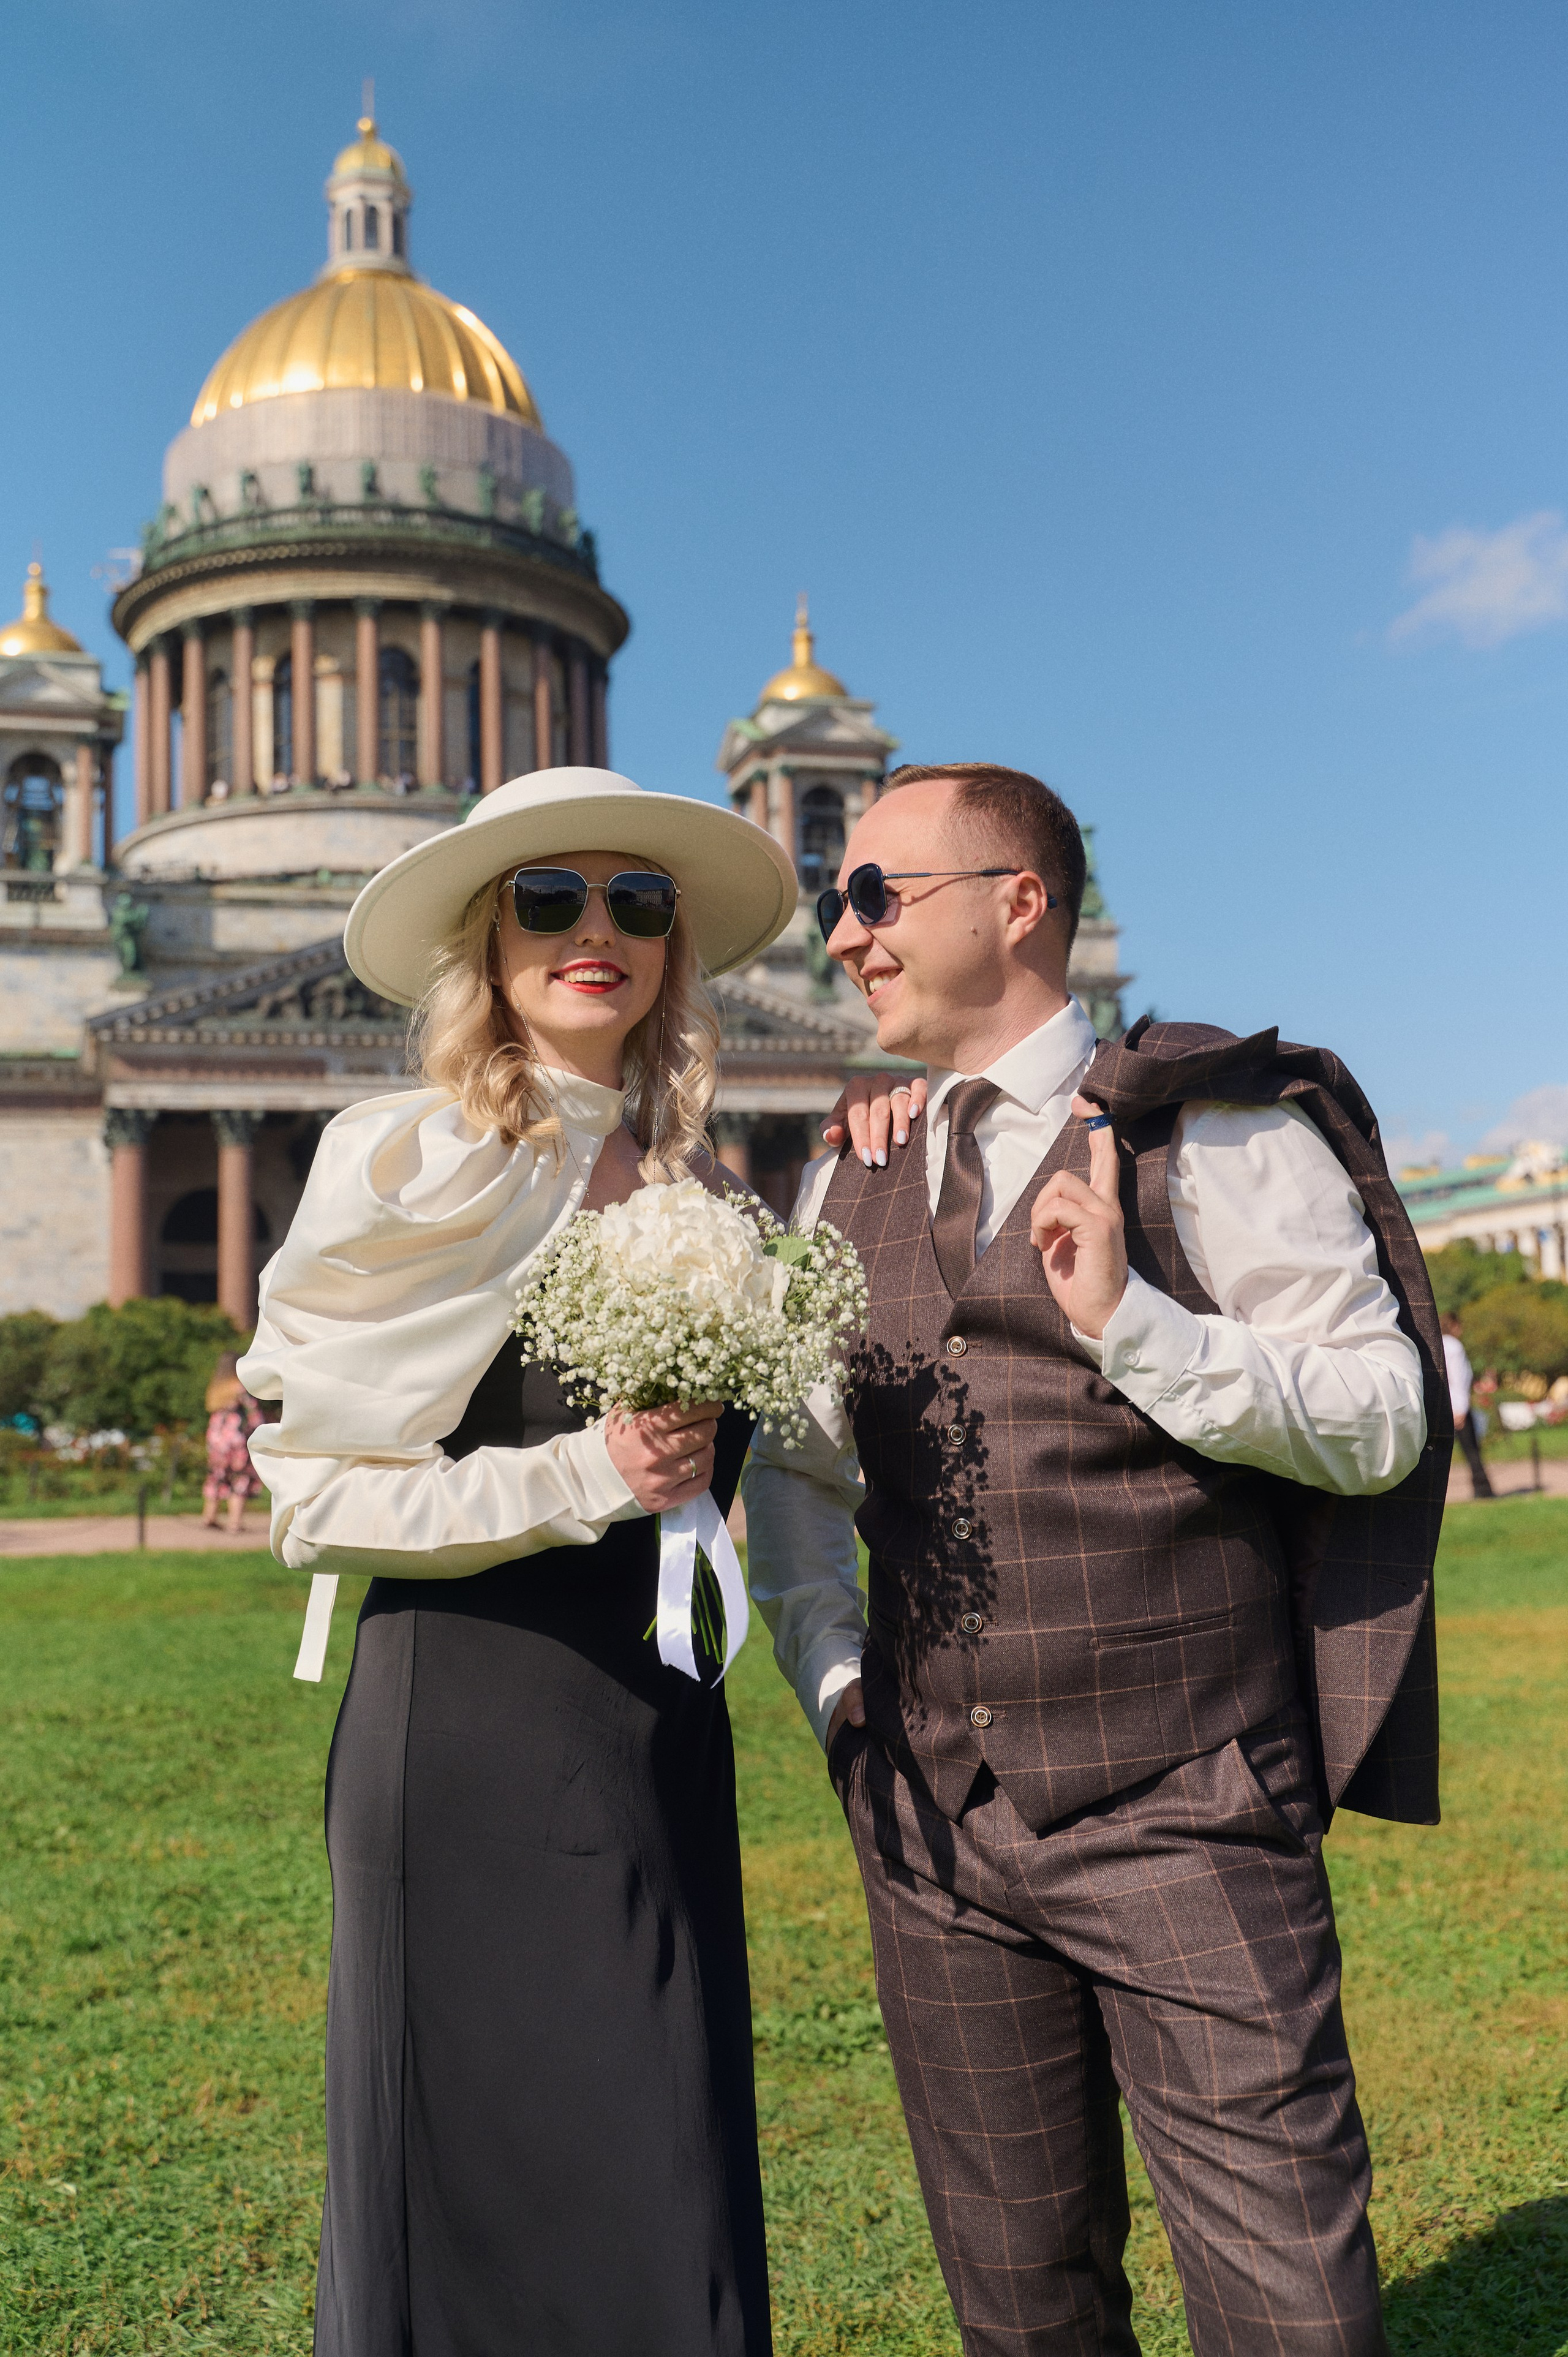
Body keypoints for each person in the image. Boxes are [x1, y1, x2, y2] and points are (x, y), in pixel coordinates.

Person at [745, 762, 1450, 2357]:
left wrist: (1139, 1328)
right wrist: (841, 1693)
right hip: (934, 1835)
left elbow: (1383, 1414)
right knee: (1021, 2304)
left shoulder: (1217, 1127)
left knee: (1288, 2309)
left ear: (1020, 904)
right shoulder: (842, 1167)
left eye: (875, 895)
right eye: (831, 898)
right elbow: (796, 1470)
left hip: (1188, 1810)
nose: (839, 933)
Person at [238, 767, 797, 2357]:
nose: (596, 931)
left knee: (671, 2169)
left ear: (676, 947)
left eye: (639, 901)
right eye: (548, 900)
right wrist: (583, 1475)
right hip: (471, 1742)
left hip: (657, 1740)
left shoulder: (713, 1196)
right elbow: (317, 1498)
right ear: (486, 942)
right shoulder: (411, 1160)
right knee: (478, 2207)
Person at [200, 1352, 262, 1534]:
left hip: (215, 1439)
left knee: (217, 1476)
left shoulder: (215, 1389)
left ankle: (209, 1516)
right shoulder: (239, 1387)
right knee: (239, 1478)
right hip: (235, 1439)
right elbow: (255, 1415)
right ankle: (235, 1523)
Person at [1442, 1310, 1494, 1498]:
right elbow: (1459, 1379)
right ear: (1454, 1326)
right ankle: (1483, 1489)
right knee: (1472, 1450)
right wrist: (1462, 1409)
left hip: (1445, 1406)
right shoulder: (1455, 1346)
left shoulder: (1439, 1344)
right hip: (1459, 1408)